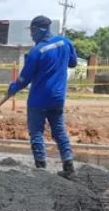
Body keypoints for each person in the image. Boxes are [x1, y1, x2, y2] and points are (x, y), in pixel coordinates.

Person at [7, 15, 78, 178]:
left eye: (32, 31)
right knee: (59, 131)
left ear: (40, 29)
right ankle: (69, 167)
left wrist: (13, 88)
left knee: (36, 132)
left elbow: (24, 79)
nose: (31, 35)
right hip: (58, 98)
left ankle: (41, 168)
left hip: (39, 99)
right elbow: (73, 63)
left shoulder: (37, 51)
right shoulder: (65, 42)